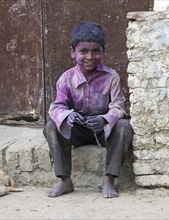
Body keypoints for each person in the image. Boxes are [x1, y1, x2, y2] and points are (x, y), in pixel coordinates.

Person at [43, 21, 133, 199]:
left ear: (103, 52)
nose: (90, 57)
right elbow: (56, 106)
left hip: (103, 131)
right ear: (73, 53)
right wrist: (68, 116)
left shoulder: (111, 77)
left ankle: (108, 179)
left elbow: (118, 106)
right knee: (51, 126)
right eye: (83, 51)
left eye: (96, 51)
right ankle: (65, 180)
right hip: (77, 130)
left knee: (124, 126)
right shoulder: (66, 79)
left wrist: (104, 119)